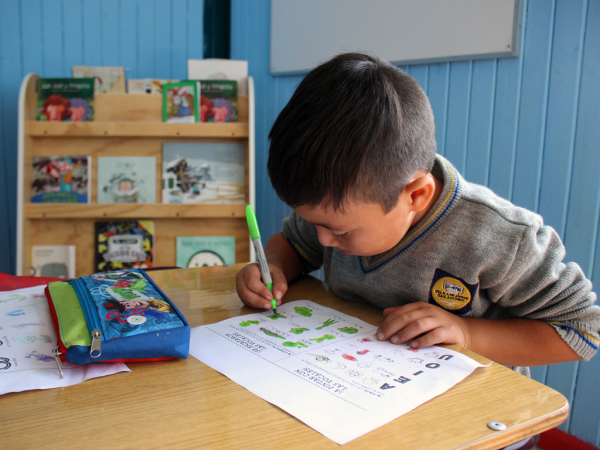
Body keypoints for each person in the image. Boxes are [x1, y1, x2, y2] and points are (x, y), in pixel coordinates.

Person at [235, 52, 600, 375]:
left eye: (341, 233)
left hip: (475, 415)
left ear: (417, 195)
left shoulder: (500, 238)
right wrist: (274, 268)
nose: (323, 240)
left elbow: (579, 331)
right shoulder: (336, 209)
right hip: (357, 385)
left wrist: (466, 332)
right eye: (317, 225)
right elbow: (294, 245)